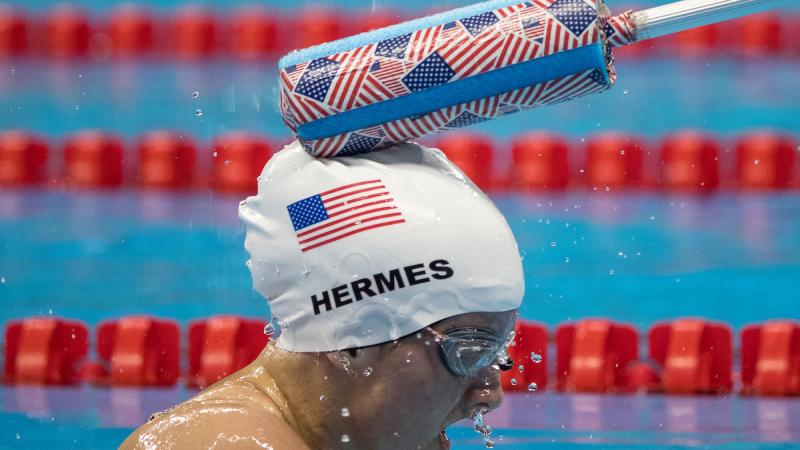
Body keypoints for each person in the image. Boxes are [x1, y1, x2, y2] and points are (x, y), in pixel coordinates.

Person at [120, 140, 525, 450]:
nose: (490, 393)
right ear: (352, 338)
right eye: (470, 352)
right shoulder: (221, 442)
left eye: (497, 356)